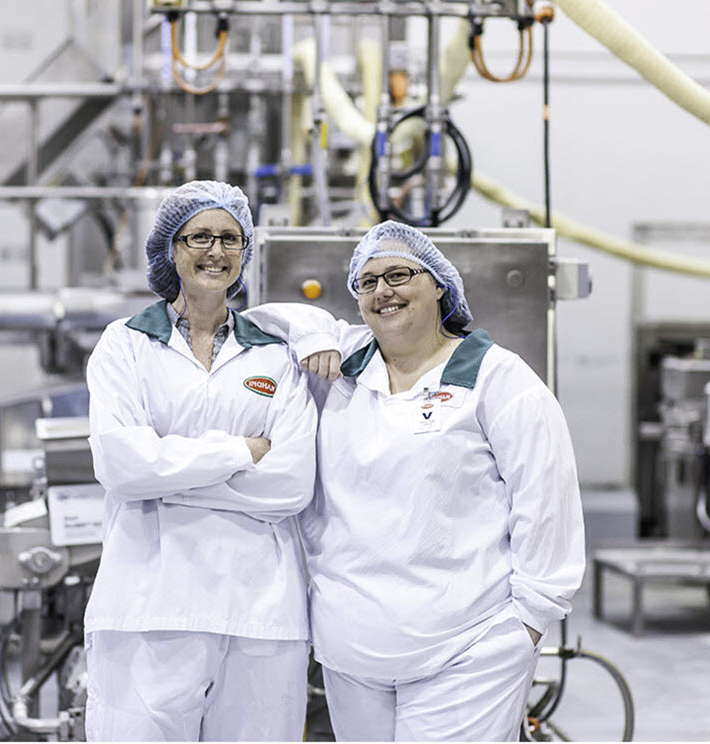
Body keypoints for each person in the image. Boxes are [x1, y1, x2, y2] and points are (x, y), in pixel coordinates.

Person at [246, 219, 586, 741]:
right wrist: (314, 330)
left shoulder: (497, 378)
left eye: (400, 274)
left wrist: (527, 624)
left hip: (468, 650)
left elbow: (545, 503)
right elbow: (254, 320)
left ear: (440, 286)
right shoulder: (344, 366)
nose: (383, 291)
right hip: (352, 651)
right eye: (367, 281)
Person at [82, 181, 318, 741]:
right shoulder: (125, 345)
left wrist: (166, 477)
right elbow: (121, 465)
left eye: (230, 239)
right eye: (200, 237)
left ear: (246, 253)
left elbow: (291, 484)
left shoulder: (276, 354)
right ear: (172, 249)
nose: (216, 251)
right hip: (147, 604)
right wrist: (239, 452)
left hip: (260, 609)